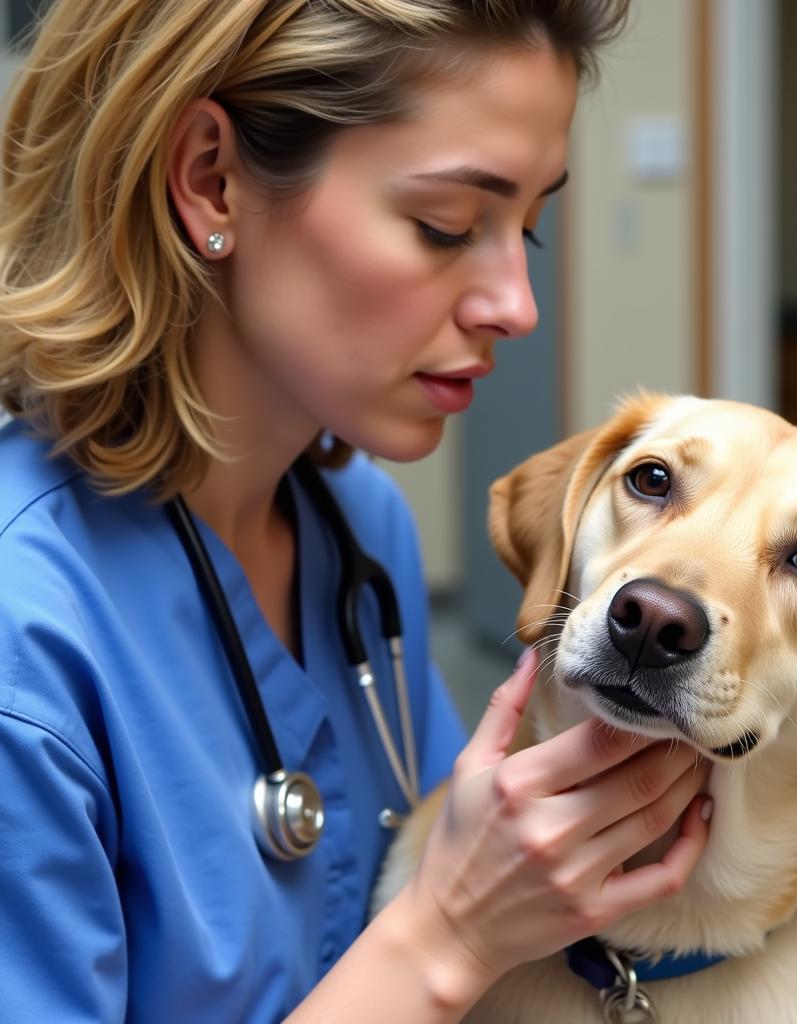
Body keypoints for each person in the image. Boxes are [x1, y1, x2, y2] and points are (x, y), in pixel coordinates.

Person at [0, 1, 712, 1021]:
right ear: (211, 178)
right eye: (448, 225)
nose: (516, 305)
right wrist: (449, 939)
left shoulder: (355, 527)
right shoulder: (26, 640)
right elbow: (439, 923)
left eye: (529, 229)